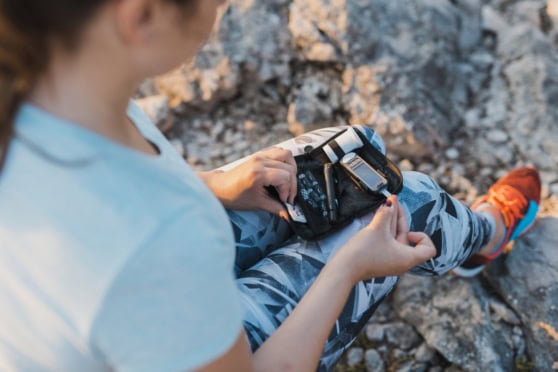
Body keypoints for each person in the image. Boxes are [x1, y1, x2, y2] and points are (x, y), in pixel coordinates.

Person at [0, 0, 541, 371]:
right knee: (411, 201)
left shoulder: (44, 84)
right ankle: (483, 237)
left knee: (343, 150)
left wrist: (215, 183)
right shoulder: (150, 245)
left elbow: (128, 177)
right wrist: (350, 268)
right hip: (197, 336)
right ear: (140, 16)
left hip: (151, 305)